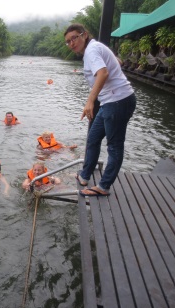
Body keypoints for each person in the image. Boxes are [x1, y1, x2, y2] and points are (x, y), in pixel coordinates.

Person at [64, 23, 136, 197]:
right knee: (94, 138)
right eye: (68, 41)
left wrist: (89, 101)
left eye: (75, 37)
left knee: (115, 146)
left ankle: (103, 186)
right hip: (109, 102)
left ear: (84, 35)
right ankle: (85, 175)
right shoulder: (95, 48)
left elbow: (102, 73)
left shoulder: (91, 51)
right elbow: (116, 61)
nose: (72, 43)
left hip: (118, 101)